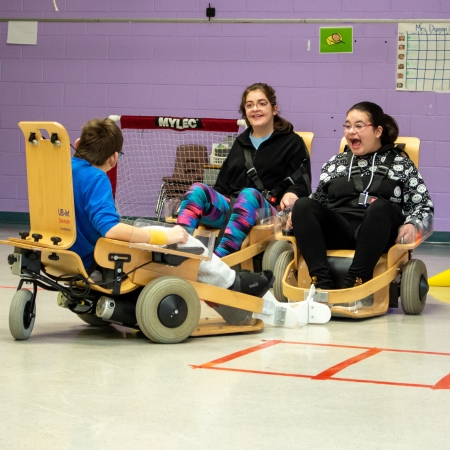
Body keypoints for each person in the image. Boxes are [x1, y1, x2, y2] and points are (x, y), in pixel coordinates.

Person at [69, 117, 274, 325]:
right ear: (113, 158)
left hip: (70, 257)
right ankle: (233, 283)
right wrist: (162, 235)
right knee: (180, 239)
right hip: (98, 260)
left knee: (169, 233)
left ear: (78, 144)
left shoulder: (63, 170)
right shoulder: (96, 177)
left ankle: (226, 283)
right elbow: (110, 229)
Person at [290, 101, 434, 292]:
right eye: (347, 126)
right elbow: (317, 202)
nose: (351, 131)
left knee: (381, 207)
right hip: (340, 230)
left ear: (377, 131)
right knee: (301, 205)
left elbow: (423, 207)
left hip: (379, 233)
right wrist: (296, 215)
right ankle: (322, 284)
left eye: (359, 126)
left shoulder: (402, 165)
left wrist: (412, 224)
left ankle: (356, 282)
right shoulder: (335, 164)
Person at [176, 83, 311, 258]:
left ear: (274, 109)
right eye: (249, 105)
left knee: (248, 195)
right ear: (245, 112)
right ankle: (178, 253)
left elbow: (303, 183)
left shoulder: (293, 142)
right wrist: (196, 203)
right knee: (197, 190)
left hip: (268, 212)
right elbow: (221, 186)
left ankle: (218, 261)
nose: (255, 109)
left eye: (262, 103)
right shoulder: (239, 143)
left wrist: (292, 193)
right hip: (231, 207)